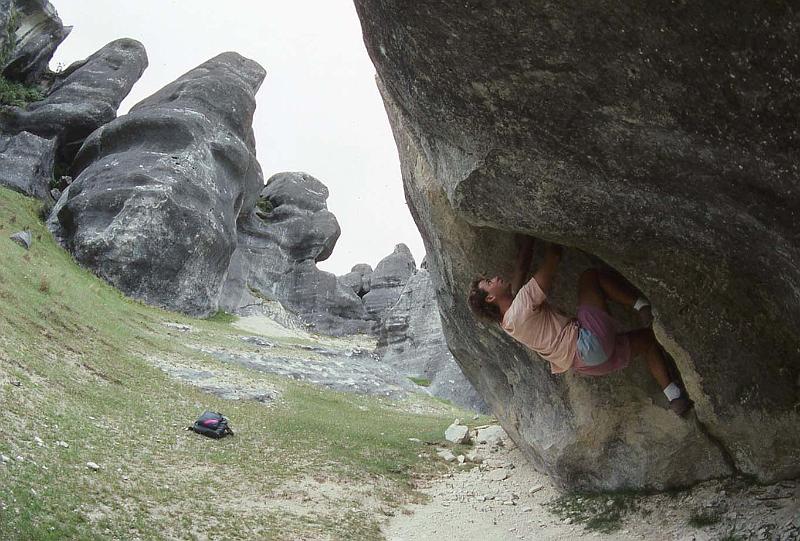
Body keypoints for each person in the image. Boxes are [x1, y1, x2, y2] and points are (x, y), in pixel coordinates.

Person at [468, 235, 692, 416]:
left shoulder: (508, 322)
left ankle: (675, 397)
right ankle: (641, 305)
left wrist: (527, 243)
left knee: (648, 342)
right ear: (490, 298)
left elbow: (519, 272)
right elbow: (554, 257)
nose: (495, 278)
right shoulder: (522, 304)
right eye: (489, 283)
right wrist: (542, 228)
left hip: (587, 364)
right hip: (587, 343)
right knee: (589, 277)